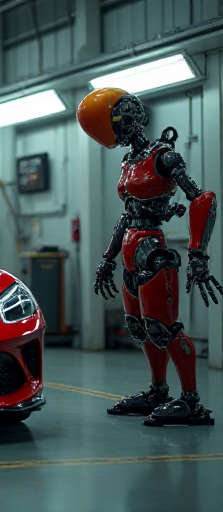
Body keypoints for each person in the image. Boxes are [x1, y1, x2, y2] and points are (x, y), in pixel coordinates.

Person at [78, 87, 218, 427]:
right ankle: (158, 391)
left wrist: (198, 254)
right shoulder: (128, 161)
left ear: (125, 118)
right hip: (130, 247)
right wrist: (107, 257)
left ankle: (191, 402)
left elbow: (202, 200)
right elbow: (126, 215)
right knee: (140, 327)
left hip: (153, 249)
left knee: (164, 327)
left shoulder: (163, 156)